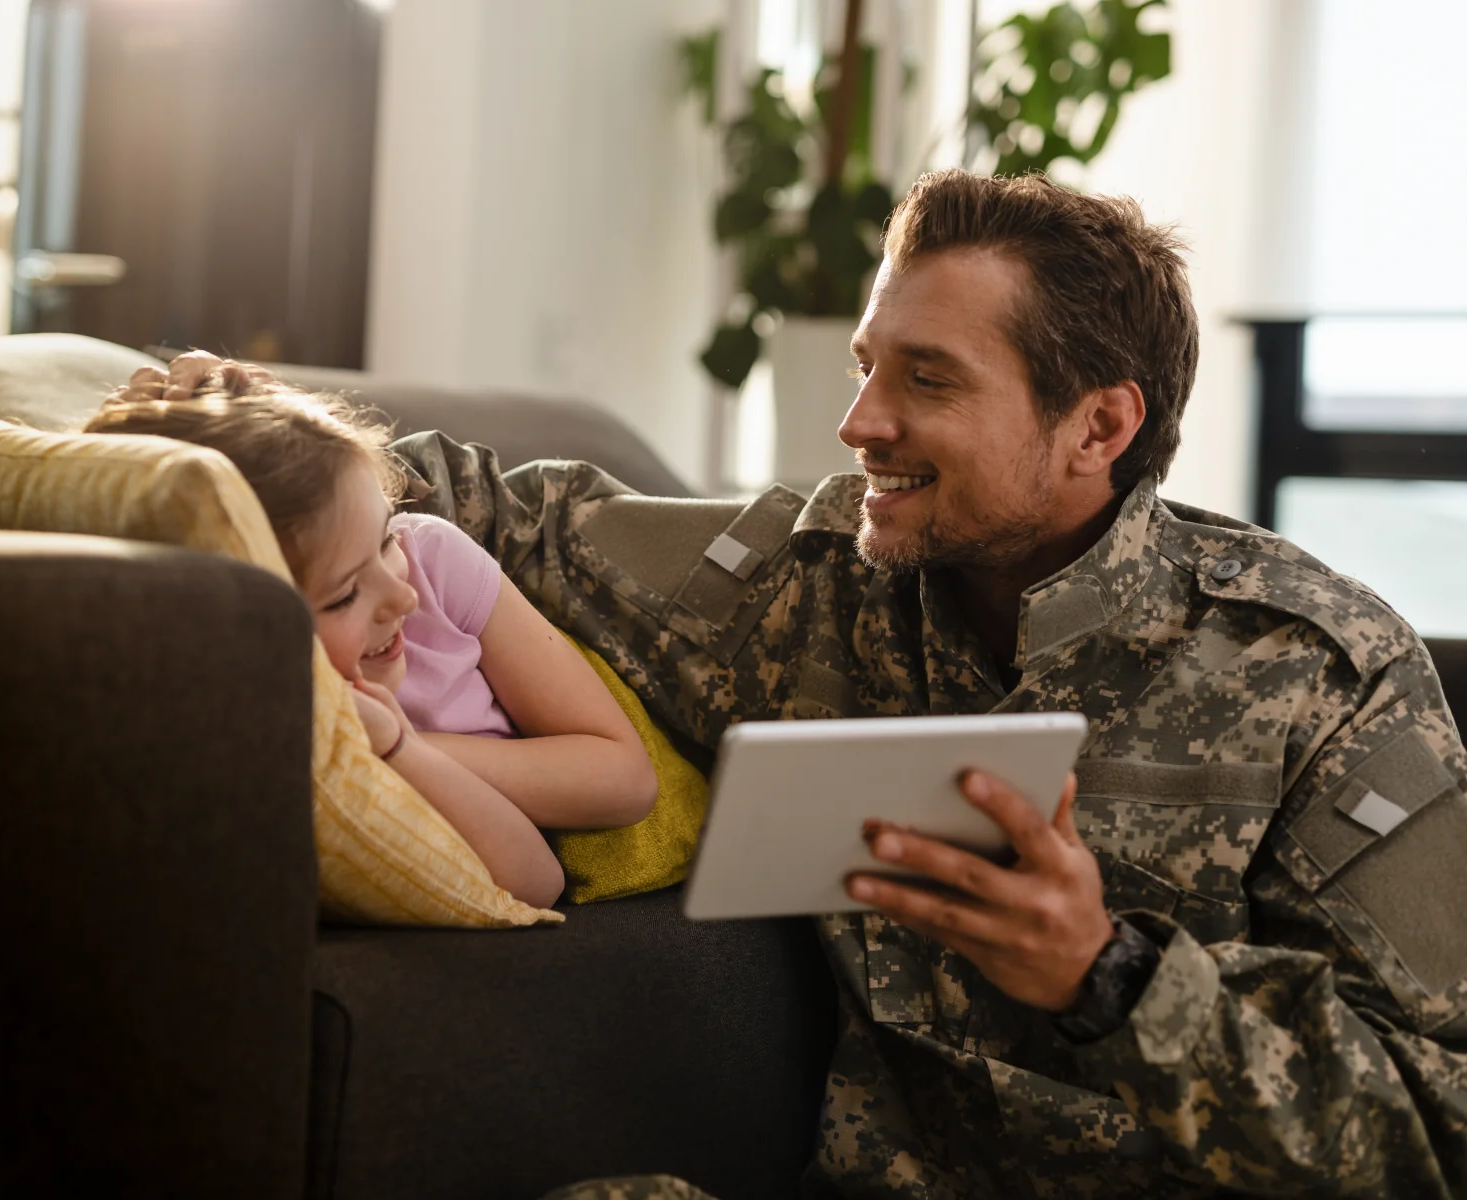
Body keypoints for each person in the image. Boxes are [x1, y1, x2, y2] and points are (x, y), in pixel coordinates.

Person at [379, 170, 1467, 1197]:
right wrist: (229, 417)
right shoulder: (805, 591)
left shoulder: (1323, 673)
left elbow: (1441, 1129)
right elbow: (495, 511)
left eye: (927, 378)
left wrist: (1111, 979)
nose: (858, 423)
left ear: (1100, 425)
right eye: (866, 365)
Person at [85, 356, 657, 909]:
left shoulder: (427, 558)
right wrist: (388, 750)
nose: (400, 599)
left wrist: (392, 742)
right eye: (343, 596)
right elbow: (532, 881)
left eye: (384, 541)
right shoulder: (267, 723)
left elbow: (628, 781)